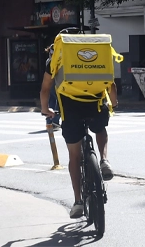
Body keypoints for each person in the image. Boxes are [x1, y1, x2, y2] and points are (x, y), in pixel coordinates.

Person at [40, 38, 117, 220]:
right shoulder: (97, 55)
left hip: (71, 109)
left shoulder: (55, 60)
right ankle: (104, 160)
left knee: (74, 156)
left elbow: (45, 89)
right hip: (95, 104)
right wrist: (113, 102)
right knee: (100, 129)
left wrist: (45, 109)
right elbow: (110, 83)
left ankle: (78, 202)